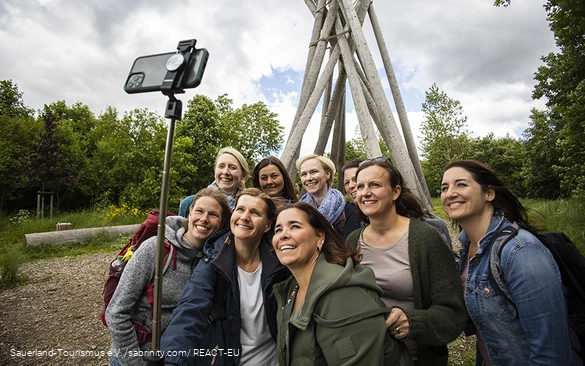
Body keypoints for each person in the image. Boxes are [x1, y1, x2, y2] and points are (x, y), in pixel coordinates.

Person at [441, 159, 581, 365]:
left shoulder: (521, 252)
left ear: (489, 193)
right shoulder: (469, 250)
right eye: (445, 187)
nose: (450, 193)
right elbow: (487, 332)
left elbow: (551, 354)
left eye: (461, 184)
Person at [345, 157, 466, 366]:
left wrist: (413, 322)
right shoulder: (353, 240)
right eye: (360, 186)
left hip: (416, 358)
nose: (365, 193)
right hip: (367, 357)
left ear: (395, 192)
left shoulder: (425, 238)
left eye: (375, 185)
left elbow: (453, 313)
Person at [272, 201, 414, 366]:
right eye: (278, 230)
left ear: (320, 238)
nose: (283, 235)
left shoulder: (341, 294)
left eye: (295, 226)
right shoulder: (291, 289)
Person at [161, 188, 290, 366]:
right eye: (240, 209)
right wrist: (173, 361)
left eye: (255, 212)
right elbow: (189, 312)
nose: (244, 217)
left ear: (267, 225)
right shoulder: (214, 262)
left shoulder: (280, 264)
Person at [106, 188, 231, 366]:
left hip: (176, 358)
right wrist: (134, 362)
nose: (204, 219)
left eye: (213, 215)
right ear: (189, 213)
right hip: (135, 357)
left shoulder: (212, 261)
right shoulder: (155, 249)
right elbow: (116, 312)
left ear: (222, 222)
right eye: (199, 211)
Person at [296, 154, 360, 239]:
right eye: (304, 174)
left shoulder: (349, 211)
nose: (308, 178)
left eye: (313, 172)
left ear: (327, 174)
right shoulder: (298, 211)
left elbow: (349, 248)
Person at [179, 147, 249, 216]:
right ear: (215, 170)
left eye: (232, 167)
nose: (225, 172)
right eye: (221, 166)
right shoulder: (189, 203)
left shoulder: (248, 209)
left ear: (243, 175)